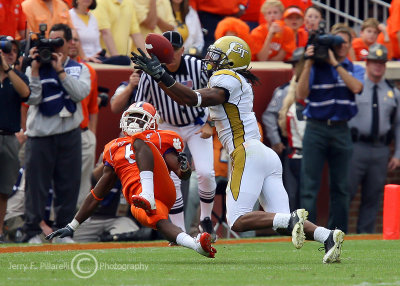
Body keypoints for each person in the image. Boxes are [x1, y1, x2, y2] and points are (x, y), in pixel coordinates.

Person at [131, 35, 346, 264]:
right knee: (283, 223)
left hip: (246, 152)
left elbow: (192, 98)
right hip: (264, 155)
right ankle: (328, 236)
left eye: (216, 56)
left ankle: (295, 219)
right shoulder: (236, 81)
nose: (210, 60)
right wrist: (163, 78)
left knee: (238, 221)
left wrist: (161, 76)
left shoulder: (227, 77)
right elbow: (198, 102)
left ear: (231, 62)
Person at [46, 102, 217, 258]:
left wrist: (185, 168)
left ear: (152, 122)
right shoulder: (113, 148)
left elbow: (182, 175)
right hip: (137, 201)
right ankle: (196, 246)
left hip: (161, 188)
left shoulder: (158, 137)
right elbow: (96, 194)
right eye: (132, 117)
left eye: (140, 117)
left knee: (139, 141)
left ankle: (147, 193)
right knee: (160, 223)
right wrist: (72, 226)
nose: (135, 121)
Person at [133, 31, 217, 240]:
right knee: (173, 180)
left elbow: (217, 94)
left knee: (206, 173)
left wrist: (210, 123)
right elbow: (140, 105)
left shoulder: (196, 66)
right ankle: (179, 231)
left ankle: (205, 219)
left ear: (182, 50)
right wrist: (146, 131)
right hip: (168, 127)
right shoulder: (149, 72)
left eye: (174, 50)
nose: (170, 54)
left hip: (196, 124)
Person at [23, 23, 91, 243]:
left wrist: (60, 71)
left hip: (69, 132)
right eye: (49, 41)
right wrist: (34, 69)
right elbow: (31, 98)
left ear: (70, 43)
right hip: (40, 134)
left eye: (58, 42)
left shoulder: (79, 68)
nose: (52, 47)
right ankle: (32, 230)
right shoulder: (33, 66)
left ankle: (63, 231)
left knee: (68, 186)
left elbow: (80, 93)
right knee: (36, 187)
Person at [296, 26, 364, 233]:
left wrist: (335, 64)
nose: (341, 46)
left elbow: (356, 88)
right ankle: (309, 233)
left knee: (341, 187)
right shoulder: (314, 66)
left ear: (350, 45)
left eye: (344, 42)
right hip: (316, 128)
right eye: (337, 42)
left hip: (341, 129)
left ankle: (338, 233)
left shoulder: (353, 67)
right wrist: (308, 62)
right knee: (309, 186)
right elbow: (301, 93)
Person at [348, 44, 400, 234]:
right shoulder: (356, 86)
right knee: (347, 193)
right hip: (355, 147)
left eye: (381, 63)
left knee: (373, 197)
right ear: (367, 63)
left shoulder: (393, 92)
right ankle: (339, 234)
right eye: (374, 62)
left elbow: (398, 125)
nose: (378, 66)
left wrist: (398, 153)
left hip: (380, 150)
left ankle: (365, 238)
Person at [262, 47, 305, 212]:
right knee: (291, 191)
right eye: (295, 65)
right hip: (290, 146)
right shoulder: (284, 91)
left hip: (313, 146)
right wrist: (276, 140)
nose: (297, 69)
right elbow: (269, 115)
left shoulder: (316, 90)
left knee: (308, 191)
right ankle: (292, 227)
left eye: (300, 65)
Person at [0, 36, 30, 243]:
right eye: (6, 50)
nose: (10, 54)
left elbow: (25, 93)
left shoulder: (18, 76)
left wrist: (7, 69)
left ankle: (0, 232)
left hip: (9, 138)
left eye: (14, 51)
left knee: (3, 190)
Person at [69, 29, 99, 208]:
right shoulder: (46, 67)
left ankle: (78, 227)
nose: (73, 43)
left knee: (83, 183)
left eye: (76, 40)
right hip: (56, 132)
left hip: (83, 132)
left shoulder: (88, 70)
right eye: (69, 39)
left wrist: (92, 135)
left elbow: (93, 107)